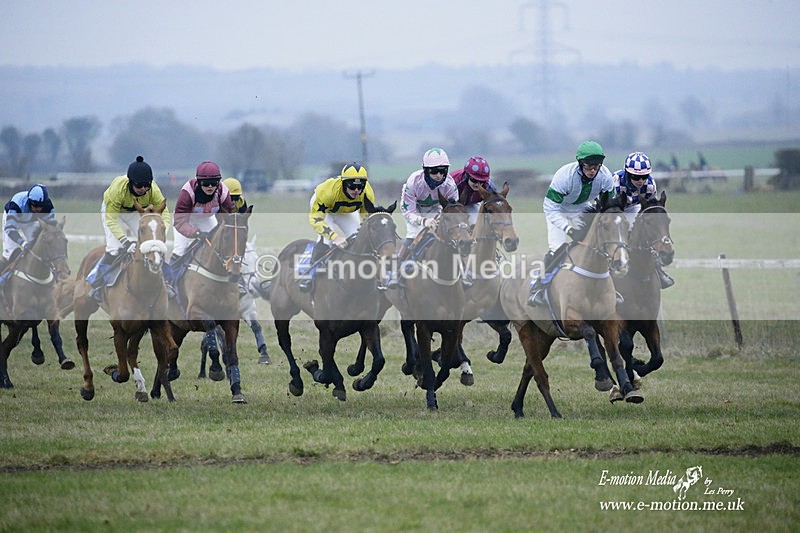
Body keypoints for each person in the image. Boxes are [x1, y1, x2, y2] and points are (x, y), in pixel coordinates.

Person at [527, 140, 616, 307]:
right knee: (557, 248)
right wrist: (569, 229)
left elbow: (610, 205)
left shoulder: (605, 176)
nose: (593, 171)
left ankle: (610, 288)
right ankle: (538, 286)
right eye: (589, 166)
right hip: (557, 209)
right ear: (581, 164)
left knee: (599, 245)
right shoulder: (565, 176)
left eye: (596, 167)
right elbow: (550, 208)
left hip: (581, 208)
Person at [88, 156, 172, 302]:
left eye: (146, 186)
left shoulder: (154, 190)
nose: (143, 189)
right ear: (131, 182)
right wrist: (125, 242)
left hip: (134, 212)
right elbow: (111, 220)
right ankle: (97, 283)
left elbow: (164, 215)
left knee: (153, 245)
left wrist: (159, 236)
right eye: (139, 186)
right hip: (113, 213)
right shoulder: (118, 190)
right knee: (114, 249)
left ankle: (167, 282)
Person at [386, 147, 460, 290]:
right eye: (434, 171)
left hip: (436, 209)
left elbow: (452, 211)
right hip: (414, 209)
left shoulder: (450, 185)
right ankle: (396, 271)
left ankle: (462, 271)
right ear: (426, 170)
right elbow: (409, 212)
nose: (439, 175)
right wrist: (423, 221)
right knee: (415, 233)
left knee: (450, 235)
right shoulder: (413, 182)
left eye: (443, 171)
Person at [298, 162, 376, 291]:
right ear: (343, 183)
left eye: (361, 185)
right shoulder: (327, 192)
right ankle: (308, 275)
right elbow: (316, 220)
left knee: (359, 239)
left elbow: (365, 219)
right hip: (326, 211)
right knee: (326, 242)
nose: (356, 190)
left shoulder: (367, 193)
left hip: (345, 211)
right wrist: (335, 237)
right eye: (352, 186)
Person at [166, 161, 235, 296]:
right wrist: (196, 233)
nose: (210, 186)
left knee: (219, 245)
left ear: (218, 182)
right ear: (198, 182)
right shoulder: (187, 192)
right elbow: (180, 222)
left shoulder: (223, 192)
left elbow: (225, 219)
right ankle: (169, 282)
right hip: (185, 219)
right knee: (180, 249)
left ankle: (233, 279)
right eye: (206, 183)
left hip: (206, 218)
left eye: (214, 183)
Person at [613, 151, 674, 289]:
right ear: (627, 173)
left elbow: (650, 209)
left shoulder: (650, 185)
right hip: (612, 209)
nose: (640, 180)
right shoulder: (615, 181)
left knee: (643, 230)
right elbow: (609, 208)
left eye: (644, 176)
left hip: (633, 207)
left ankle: (657, 269)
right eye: (636, 177)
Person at [1, 184, 56, 270]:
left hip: (30, 222)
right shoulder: (16, 204)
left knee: (37, 247)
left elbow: (48, 228)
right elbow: (10, 229)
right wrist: (23, 243)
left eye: (41, 206)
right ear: (29, 201)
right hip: (13, 220)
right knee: (8, 254)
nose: (38, 209)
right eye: (35, 205)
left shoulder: (48, 207)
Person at [450, 156, 497, 226]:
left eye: (482, 182)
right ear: (466, 176)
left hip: (471, 204)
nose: (478, 184)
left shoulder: (489, 187)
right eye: (474, 180)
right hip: (449, 205)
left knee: (475, 223)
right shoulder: (453, 182)